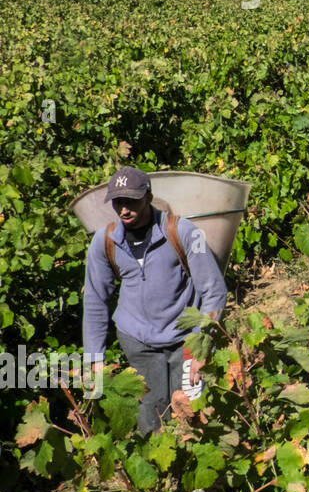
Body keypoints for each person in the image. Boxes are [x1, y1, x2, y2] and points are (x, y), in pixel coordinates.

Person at [82, 167, 229, 434]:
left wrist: (202, 346)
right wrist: (95, 357)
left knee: (190, 412)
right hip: (137, 339)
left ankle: (189, 466)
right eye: (118, 202)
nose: (124, 210)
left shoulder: (182, 232)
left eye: (131, 201)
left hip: (185, 338)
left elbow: (213, 290)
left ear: (148, 197)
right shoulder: (104, 243)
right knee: (150, 415)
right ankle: (159, 473)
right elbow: (95, 301)